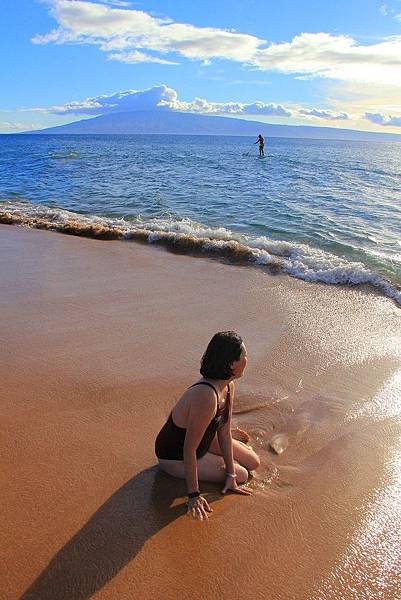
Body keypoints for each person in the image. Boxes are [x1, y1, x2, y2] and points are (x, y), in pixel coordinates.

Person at [155, 331, 260, 520]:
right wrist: (194, 495)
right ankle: (213, 455)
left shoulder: (228, 385)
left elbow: (224, 430)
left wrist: (230, 473)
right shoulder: (206, 396)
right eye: (244, 356)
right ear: (231, 364)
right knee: (243, 474)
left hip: (204, 439)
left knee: (254, 462)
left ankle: (216, 446)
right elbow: (189, 449)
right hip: (175, 456)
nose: (247, 359)